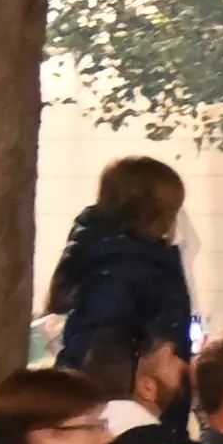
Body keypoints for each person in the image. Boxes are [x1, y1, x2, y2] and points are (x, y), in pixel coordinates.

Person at [41, 158, 200, 381]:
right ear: (152, 211)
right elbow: (94, 347)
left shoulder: (123, 258)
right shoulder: (122, 266)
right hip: (128, 399)